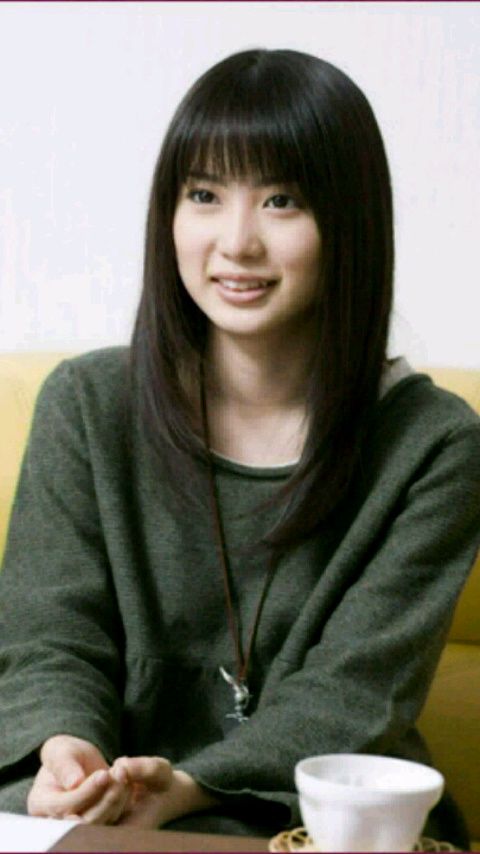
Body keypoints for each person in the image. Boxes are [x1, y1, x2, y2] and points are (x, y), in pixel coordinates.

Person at [0, 48, 479, 846]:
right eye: (204, 195)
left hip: (297, 809)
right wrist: (66, 752)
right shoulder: (85, 405)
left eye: (282, 200)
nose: (236, 241)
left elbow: (354, 696)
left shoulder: (434, 446)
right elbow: (51, 636)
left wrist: (190, 788)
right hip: (99, 808)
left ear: (351, 222)